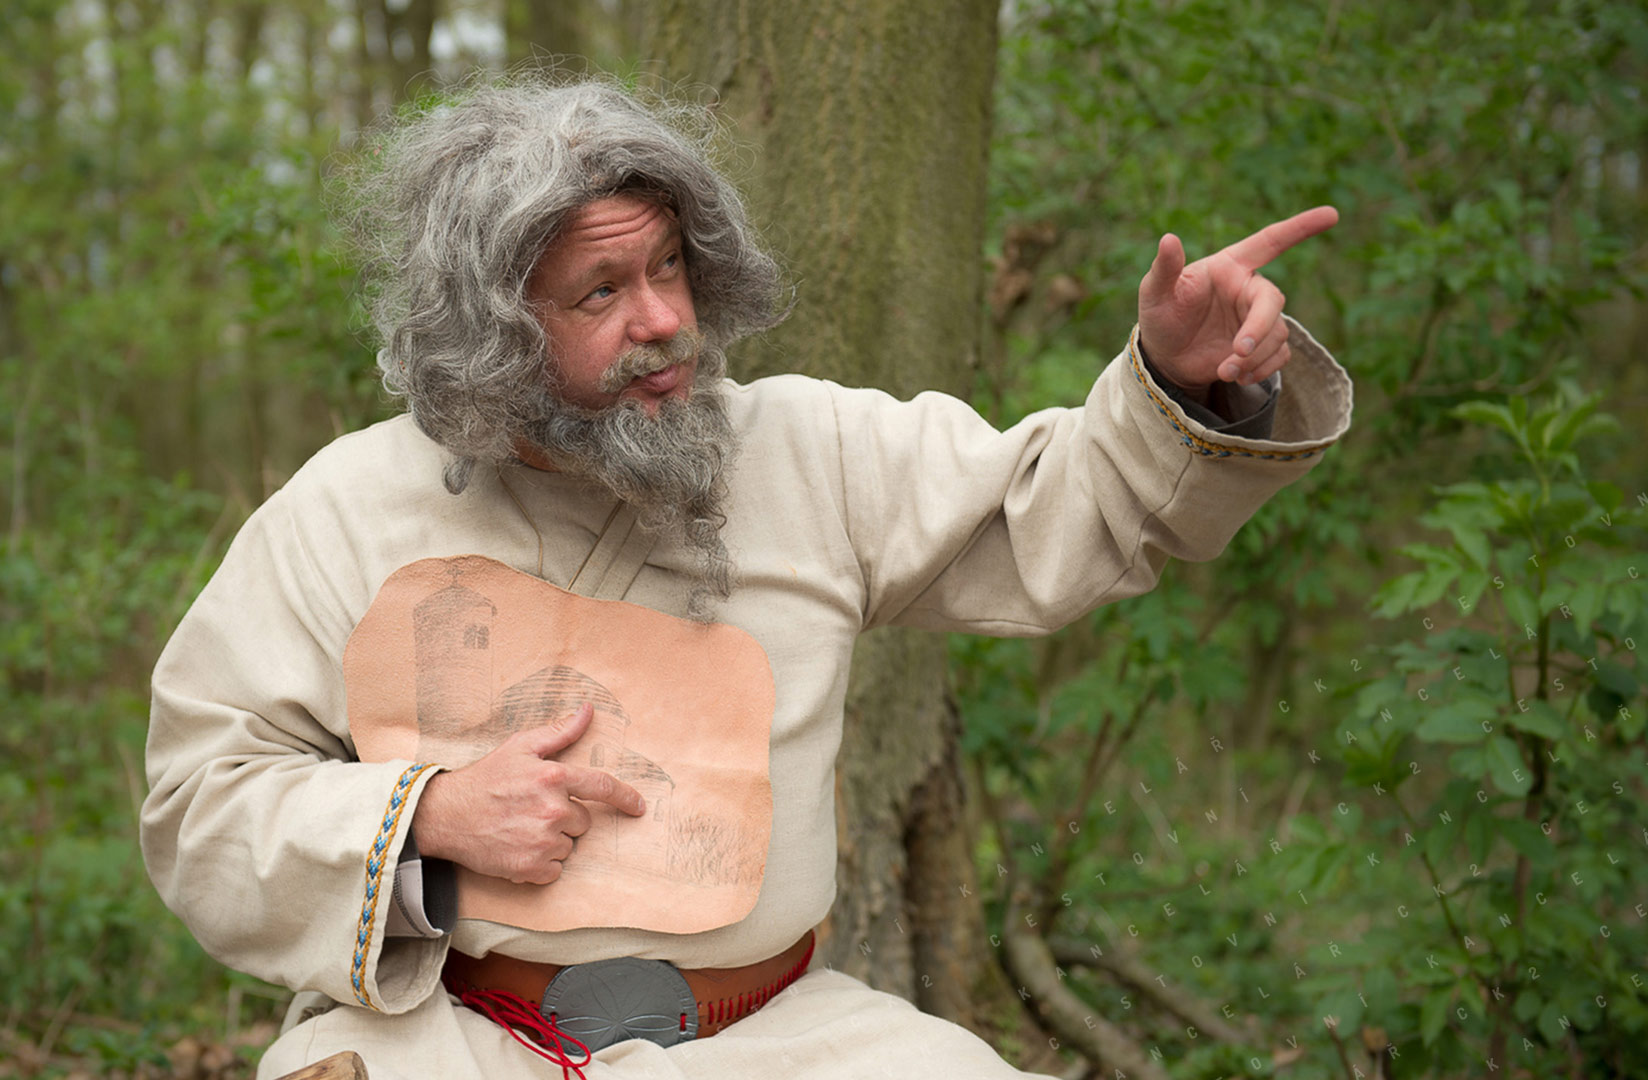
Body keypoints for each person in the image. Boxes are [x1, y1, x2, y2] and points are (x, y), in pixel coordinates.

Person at [139, 76, 1351, 1080]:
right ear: (492, 329)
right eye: (602, 291)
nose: (664, 320)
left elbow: (1061, 511)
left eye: (670, 267)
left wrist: (1183, 382)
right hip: (443, 1037)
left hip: (776, 1040)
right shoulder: (346, 512)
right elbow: (200, 804)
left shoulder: (813, 452)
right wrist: (427, 820)